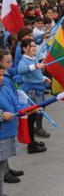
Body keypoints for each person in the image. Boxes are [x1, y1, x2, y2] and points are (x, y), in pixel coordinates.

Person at [18, 38, 51, 153]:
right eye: (31, 46)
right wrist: (35, 66)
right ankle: (31, 145)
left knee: (34, 117)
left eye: (34, 46)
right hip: (31, 91)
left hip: (38, 90)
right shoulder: (24, 60)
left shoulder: (33, 58)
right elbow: (21, 70)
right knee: (31, 119)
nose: (33, 48)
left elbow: (36, 74)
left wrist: (44, 78)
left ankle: (32, 141)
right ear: (24, 48)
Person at [0, 50, 25, 184]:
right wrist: (2, 115)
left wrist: (28, 109)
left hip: (7, 128)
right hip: (2, 130)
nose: (11, 64)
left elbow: (15, 102)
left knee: (3, 160)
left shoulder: (4, 83)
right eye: (7, 62)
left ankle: (6, 171)